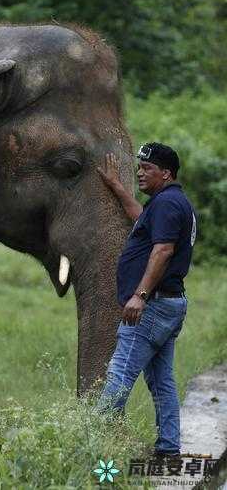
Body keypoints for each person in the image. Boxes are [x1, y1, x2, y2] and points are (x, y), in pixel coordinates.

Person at [96, 142, 197, 457]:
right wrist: (117, 187)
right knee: (161, 380)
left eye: (147, 168)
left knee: (120, 372)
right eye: (139, 167)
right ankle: (168, 448)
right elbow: (142, 220)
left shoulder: (167, 205)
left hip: (151, 306)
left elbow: (163, 250)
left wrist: (140, 296)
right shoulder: (171, 202)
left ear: (166, 173)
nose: (140, 173)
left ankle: (93, 447)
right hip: (170, 304)